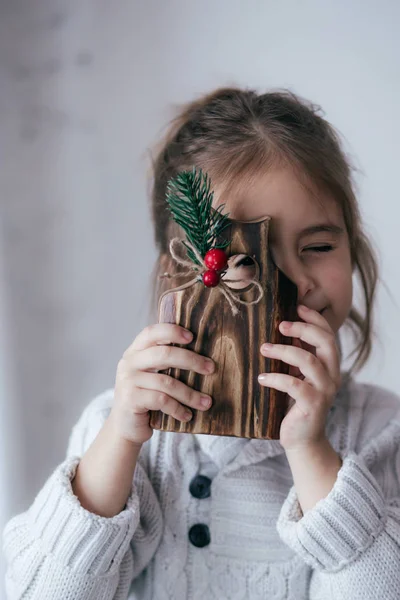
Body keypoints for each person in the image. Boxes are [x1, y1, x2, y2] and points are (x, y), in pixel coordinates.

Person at [3, 88, 400, 600]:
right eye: (246, 256)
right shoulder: (122, 430)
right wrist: (119, 445)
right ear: (182, 273)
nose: (293, 281)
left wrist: (311, 450)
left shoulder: (378, 431)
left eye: (319, 246)